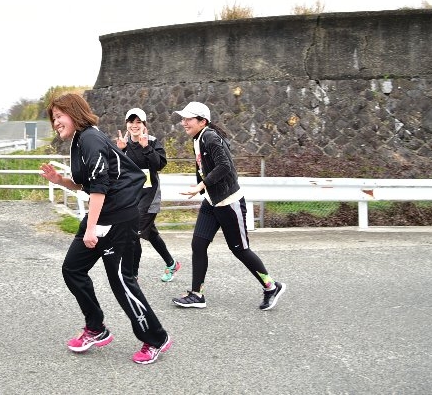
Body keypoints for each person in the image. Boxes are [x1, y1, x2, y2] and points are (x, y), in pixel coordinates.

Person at [40, 93, 172, 365]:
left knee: (121, 280)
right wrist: (60, 180)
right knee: (72, 269)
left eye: (59, 116)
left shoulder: (90, 138)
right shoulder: (80, 140)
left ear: (74, 113)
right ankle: (96, 328)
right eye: (53, 119)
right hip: (103, 214)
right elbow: (87, 184)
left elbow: (100, 187)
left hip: (119, 217)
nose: (56, 123)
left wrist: (90, 229)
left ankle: (156, 338)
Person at [170, 101, 286, 311]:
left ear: (202, 121)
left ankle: (271, 286)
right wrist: (203, 188)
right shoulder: (198, 138)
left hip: (229, 202)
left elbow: (225, 166)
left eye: (188, 119)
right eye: (183, 118)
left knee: (240, 250)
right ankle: (197, 295)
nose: (184, 122)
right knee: (198, 245)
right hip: (212, 201)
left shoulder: (210, 137)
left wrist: (201, 186)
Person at [115, 107, 181, 282]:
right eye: (131, 122)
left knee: (133, 234)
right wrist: (120, 151)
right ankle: (172, 264)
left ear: (144, 124)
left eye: (138, 122)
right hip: (131, 198)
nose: (134, 125)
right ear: (126, 124)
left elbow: (160, 165)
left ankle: (132, 275)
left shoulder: (151, 142)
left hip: (149, 197)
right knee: (150, 233)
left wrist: (146, 147)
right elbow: (117, 170)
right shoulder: (123, 144)